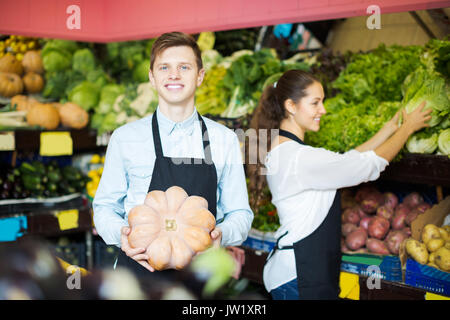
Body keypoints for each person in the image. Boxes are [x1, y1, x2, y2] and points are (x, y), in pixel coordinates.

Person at [247, 69, 432, 300]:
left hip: (296, 269)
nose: (322, 110)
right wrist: (408, 128)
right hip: (301, 275)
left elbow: (347, 161)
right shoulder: (298, 158)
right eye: (315, 103)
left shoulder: (284, 148)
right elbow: (366, 167)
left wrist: (388, 130)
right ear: (291, 106)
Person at [93, 32, 253, 277]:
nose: (174, 75)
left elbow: (240, 213)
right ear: (152, 77)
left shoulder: (225, 140)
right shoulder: (125, 138)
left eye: (184, 67)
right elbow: (104, 207)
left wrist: (220, 235)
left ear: (200, 76)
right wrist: (123, 236)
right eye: (164, 67)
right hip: (138, 275)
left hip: (201, 277)